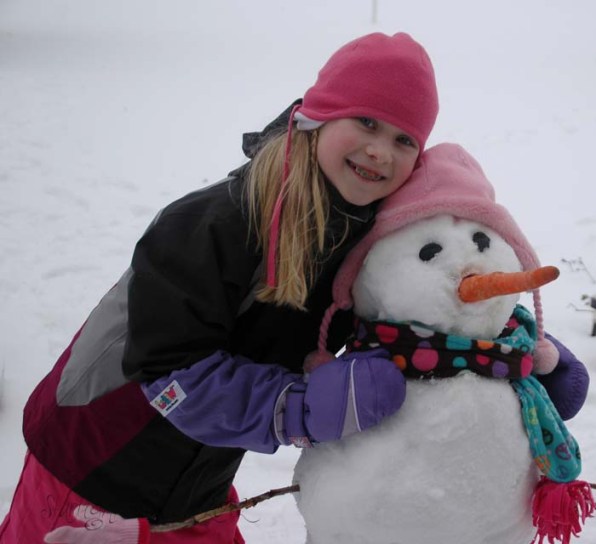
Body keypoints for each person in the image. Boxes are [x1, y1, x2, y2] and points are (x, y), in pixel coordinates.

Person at [0, 31, 439, 544]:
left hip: (196, 489)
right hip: (91, 473)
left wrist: (487, 343)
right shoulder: (214, 224)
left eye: (404, 140)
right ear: (318, 116)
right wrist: (297, 408)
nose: (379, 150)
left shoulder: (360, 247)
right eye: (366, 121)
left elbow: (404, 324)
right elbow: (169, 373)